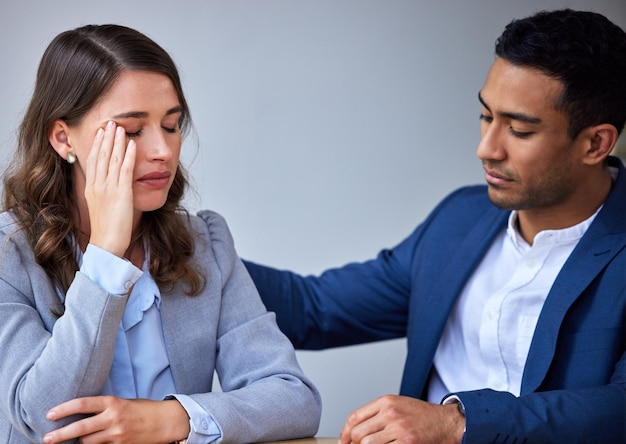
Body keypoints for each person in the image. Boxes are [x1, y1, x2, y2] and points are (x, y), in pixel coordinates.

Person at [244, 8, 626, 444]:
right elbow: (314, 309)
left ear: (596, 143)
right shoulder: (460, 219)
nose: (486, 148)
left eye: (518, 130)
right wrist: (185, 249)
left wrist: (458, 423)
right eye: (486, 116)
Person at [0, 24, 321, 444]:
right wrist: (105, 257)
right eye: (132, 130)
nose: (163, 150)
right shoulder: (10, 253)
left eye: (171, 126)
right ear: (64, 138)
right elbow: (45, 418)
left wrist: (175, 419)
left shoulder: (206, 242)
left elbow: (295, 400)